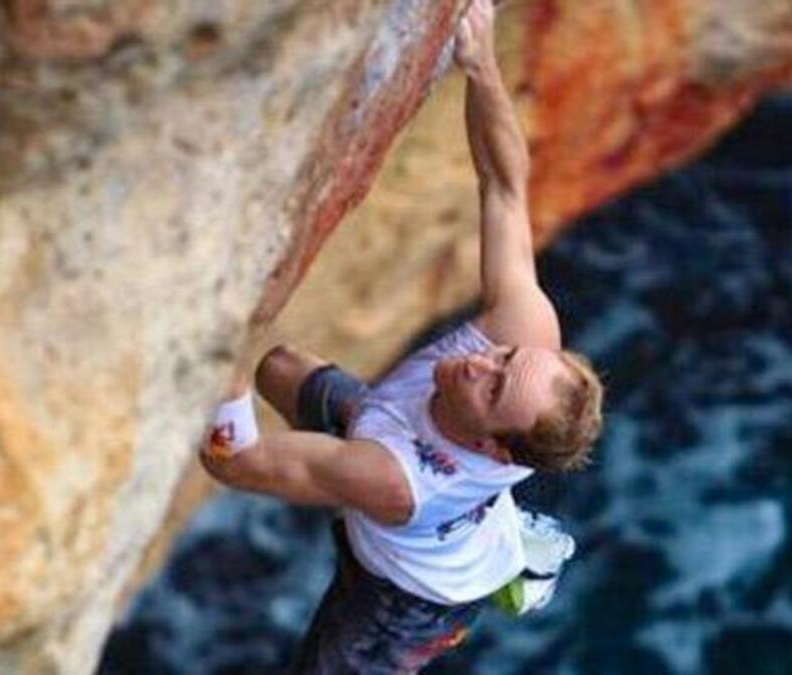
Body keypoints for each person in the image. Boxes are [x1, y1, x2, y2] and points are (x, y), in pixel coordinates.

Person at [201, 1, 604, 672]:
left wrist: (219, 345)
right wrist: (481, 67)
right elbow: (504, 188)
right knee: (279, 366)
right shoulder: (522, 334)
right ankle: (501, 533)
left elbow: (232, 462)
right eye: (504, 356)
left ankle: (482, 580)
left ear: (491, 445)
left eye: (494, 382)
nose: (481, 358)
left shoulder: (390, 479)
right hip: (390, 426)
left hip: (406, 594)